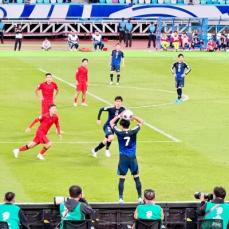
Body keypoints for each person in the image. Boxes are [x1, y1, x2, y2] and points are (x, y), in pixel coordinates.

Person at [110, 114, 144, 203]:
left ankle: (121, 198)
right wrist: (134, 117)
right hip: (132, 158)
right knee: (136, 177)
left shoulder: (119, 132)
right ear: (129, 125)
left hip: (123, 158)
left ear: (121, 126)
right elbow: (141, 122)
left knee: (122, 178)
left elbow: (111, 123)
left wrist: (118, 116)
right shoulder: (133, 131)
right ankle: (140, 197)